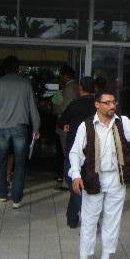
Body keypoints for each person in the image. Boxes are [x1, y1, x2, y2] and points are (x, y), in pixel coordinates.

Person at [68, 91, 130, 259]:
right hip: (93, 177)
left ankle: (105, 258)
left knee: (112, 219)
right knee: (89, 219)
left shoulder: (122, 122)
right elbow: (75, 152)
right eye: (107, 103)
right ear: (97, 105)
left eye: (114, 102)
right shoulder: (86, 125)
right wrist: (75, 174)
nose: (112, 106)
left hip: (116, 177)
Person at [0, 56, 40, 209]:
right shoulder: (25, 84)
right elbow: (32, 108)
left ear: (3, 68)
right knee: (19, 162)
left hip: (2, 127)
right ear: (18, 68)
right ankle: (17, 199)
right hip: (20, 127)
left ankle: (2, 194)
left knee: (1, 159)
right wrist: (36, 128)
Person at [57, 76, 96, 228]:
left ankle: (85, 217)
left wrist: (67, 125)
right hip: (93, 150)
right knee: (83, 183)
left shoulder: (74, 105)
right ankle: (71, 217)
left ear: (80, 88)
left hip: (74, 149)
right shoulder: (98, 106)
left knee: (73, 182)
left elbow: (61, 122)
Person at [52, 65, 79, 190]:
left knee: (67, 153)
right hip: (72, 124)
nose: (61, 78)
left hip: (67, 125)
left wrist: (54, 107)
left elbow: (65, 108)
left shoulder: (70, 88)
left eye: (61, 76)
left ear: (66, 76)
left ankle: (67, 182)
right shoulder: (74, 87)